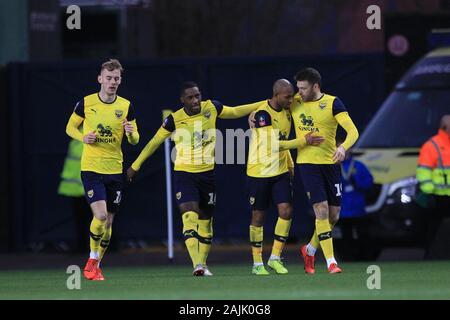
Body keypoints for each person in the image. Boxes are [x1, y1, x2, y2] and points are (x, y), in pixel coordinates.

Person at [126, 81, 261, 276]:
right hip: (185, 174)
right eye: (190, 97)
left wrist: (265, 103)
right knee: (189, 216)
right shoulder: (174, 120)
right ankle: (197, 264)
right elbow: (154, 142)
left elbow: (236, 111)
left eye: (197, 95)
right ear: (182, 100)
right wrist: (135, 166)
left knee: (206, 222)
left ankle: (203, 264)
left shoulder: (211, 107)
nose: (195, 100)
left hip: (207, 175)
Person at [65, 59, 139, 281]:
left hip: (115, 170)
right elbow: (69, 127)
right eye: (108, 78)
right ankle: (91, 260)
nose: (112, 82)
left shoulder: (126, 106)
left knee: (108, 224)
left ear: (120, 80)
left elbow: (135, 140)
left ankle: (95, 264)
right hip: (91, 169)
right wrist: (83, 137)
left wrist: (130, 132)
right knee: (100, 215)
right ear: (100, 79)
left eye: (116, 78)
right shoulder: (86, 104)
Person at [244, 79, 324, 275]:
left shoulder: (288, 107)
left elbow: (303, 96)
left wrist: (289, 164)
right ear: (276, 95)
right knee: (258, 216)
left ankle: (275, 258)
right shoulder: (263, 114)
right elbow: (273, 145)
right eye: (287, 97)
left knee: (286, 211)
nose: (291, 99)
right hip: (259, 172)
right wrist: (303, 141)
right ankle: (257, 263)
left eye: (291, 96)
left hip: (280, 171)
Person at [292, 68, 359, 274]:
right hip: (307, 163)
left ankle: (310, 249)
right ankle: (331, 262)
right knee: (320, 209)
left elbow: (353, 131)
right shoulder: (293, 101)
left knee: (333, 216)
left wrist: (342, 147)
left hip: (330, 164)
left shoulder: (332, 103)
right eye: (298, 88)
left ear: (316, 86)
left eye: (303, 88)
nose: (300, 92)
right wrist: (253, 117)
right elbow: (269, 107)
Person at [416, 115, 450, 259]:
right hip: (437, 196)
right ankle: (430, 256)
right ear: (445, 127)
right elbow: (424, 172)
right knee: (433, 230)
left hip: (442, 195)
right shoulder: (432, 145)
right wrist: (429, 193)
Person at [336, 140, 374, 260]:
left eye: (345, 148)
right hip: (342, 210)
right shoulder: (333, 167)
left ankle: (365, 257)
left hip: (358, 208)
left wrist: (357, 182)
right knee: (345, 236)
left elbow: (369, 182)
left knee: (363, 234)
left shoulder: (358, 166)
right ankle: (348, 258)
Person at [57, 138, 91, 253]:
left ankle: (102, 248)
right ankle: (82, 246)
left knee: (98, 218)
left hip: (89, 187)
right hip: (77, 188)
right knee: (81, 219)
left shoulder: (92, 135)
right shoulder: (76, 137)